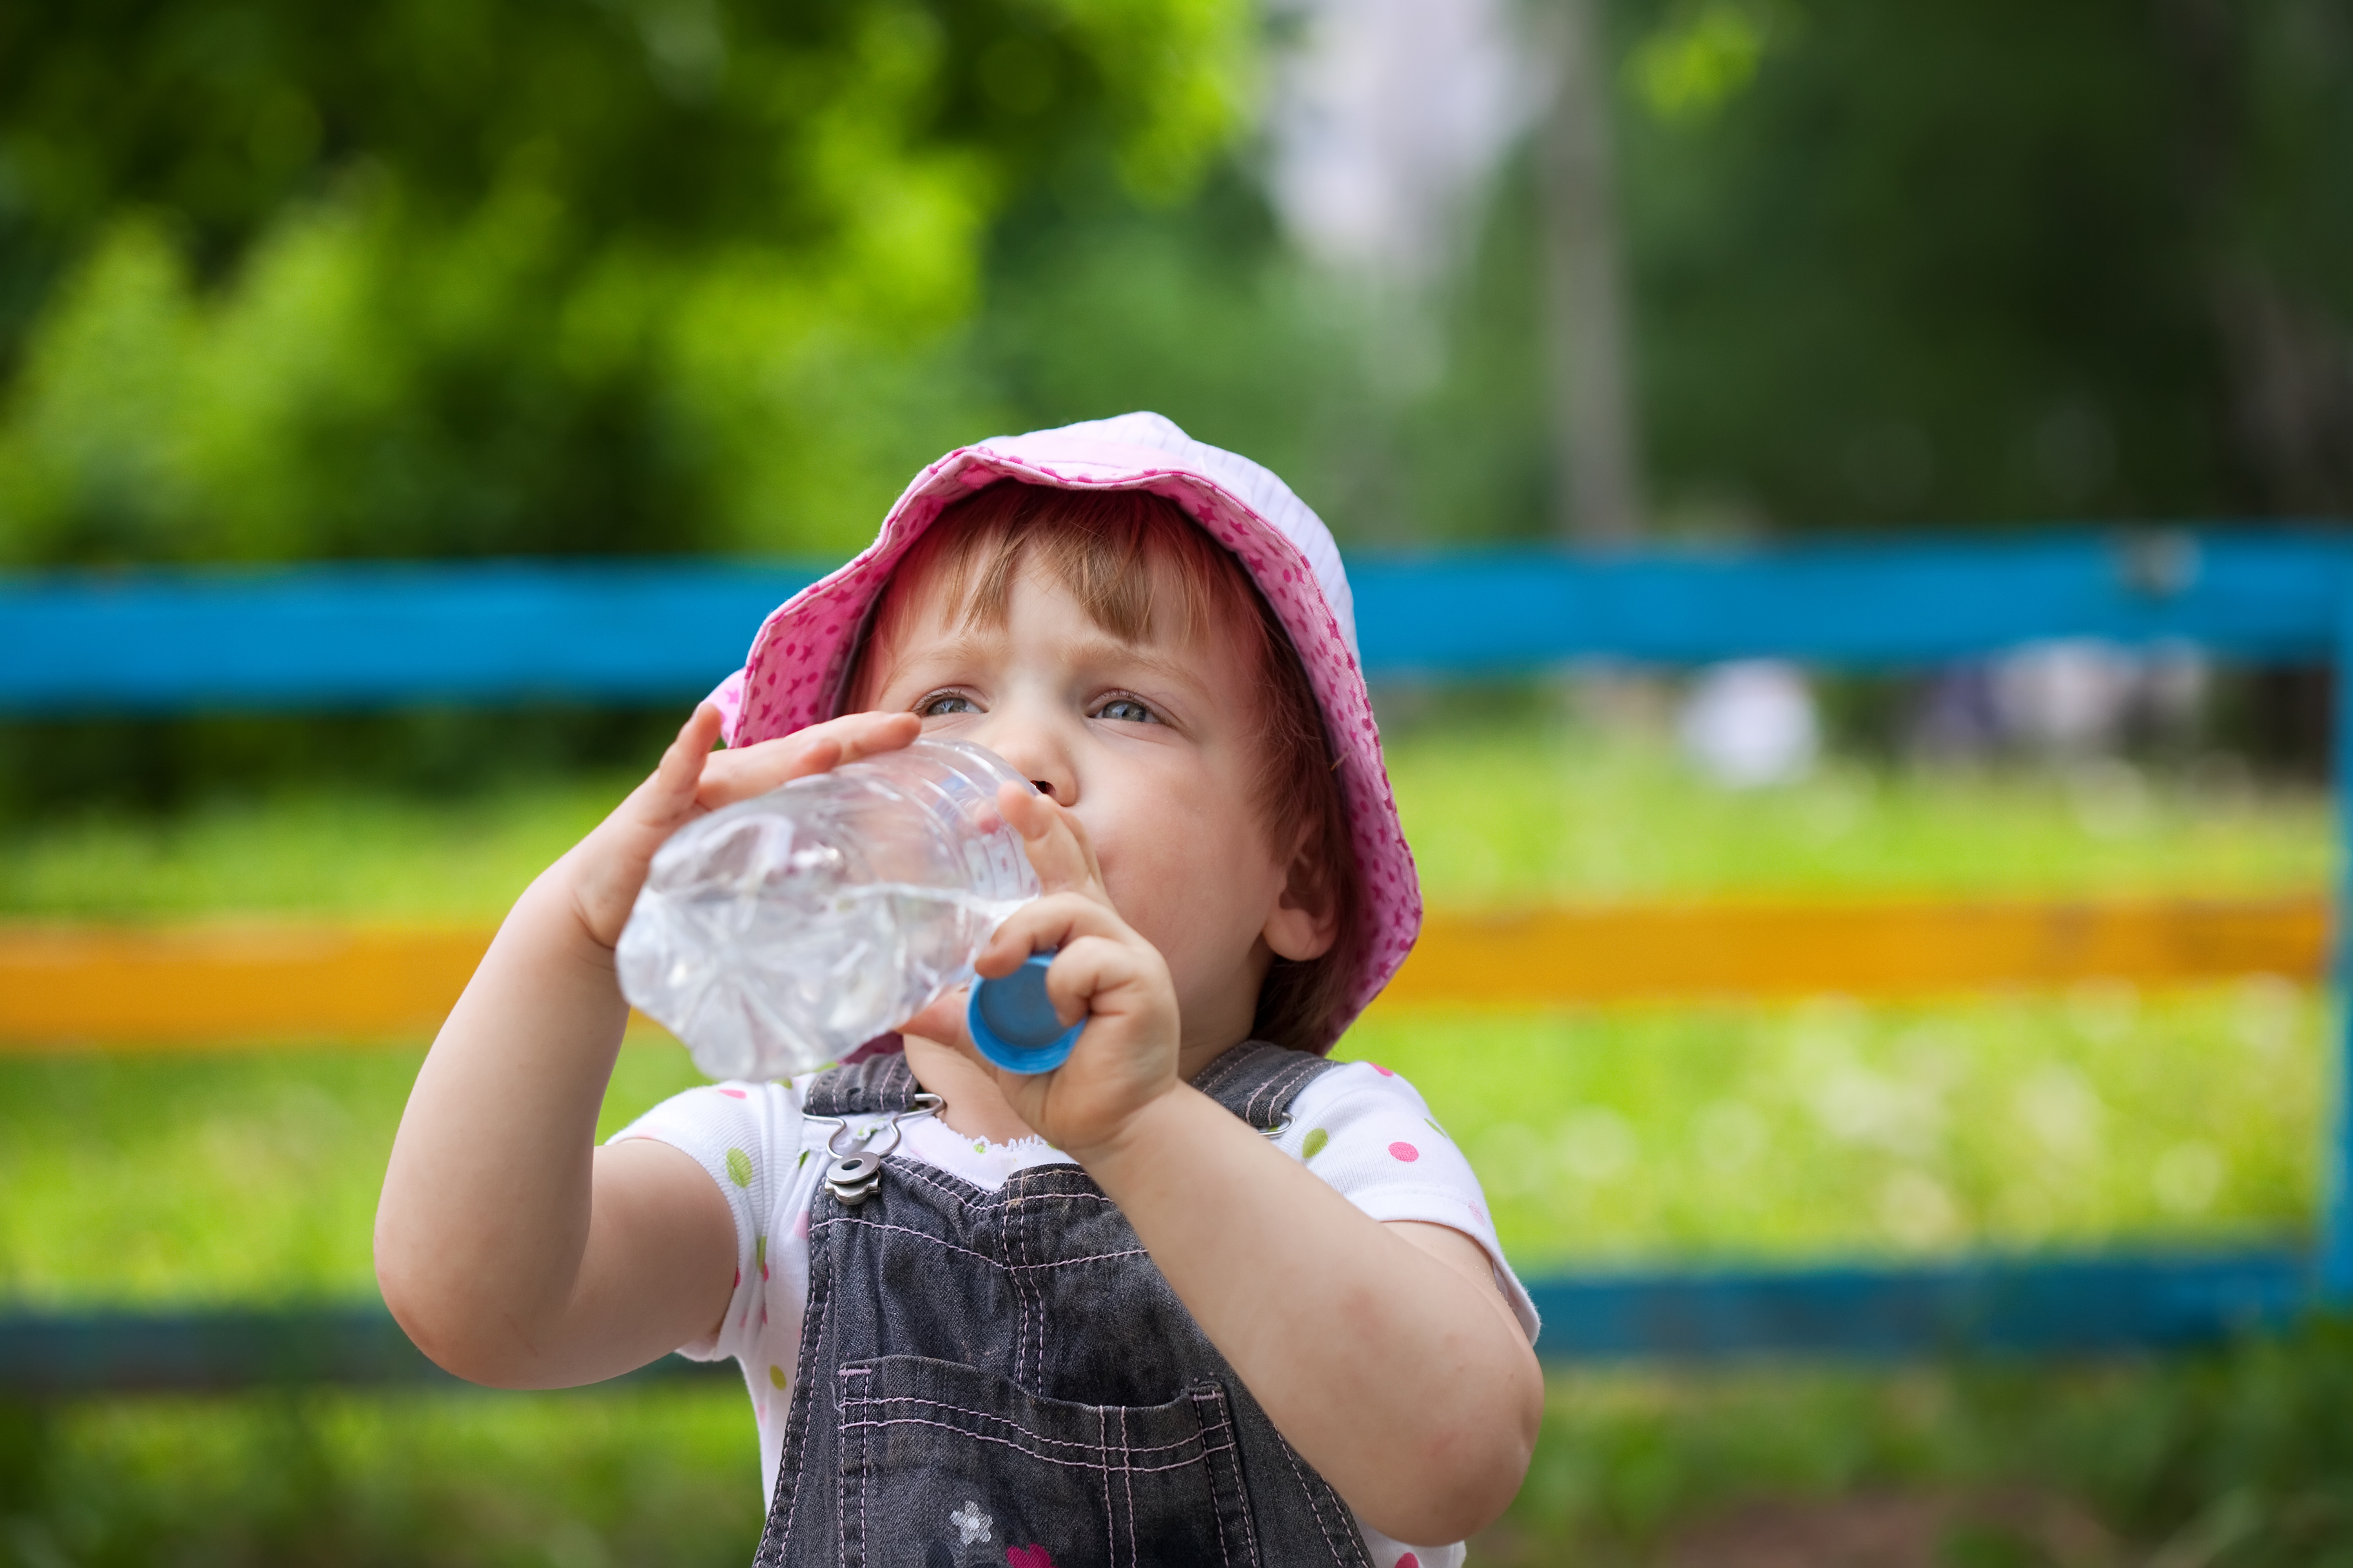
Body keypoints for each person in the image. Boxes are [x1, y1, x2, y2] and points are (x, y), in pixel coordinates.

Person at [375, 412, 1543, 1567]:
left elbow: (1456, 1455)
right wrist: (575, 931)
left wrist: (1140, 1128)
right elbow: (483, 1301)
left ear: (1294, 875)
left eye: (1123, 704)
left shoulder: (1335, 1144)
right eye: (945, 706)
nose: (1013, 757)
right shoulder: (782, 1157)